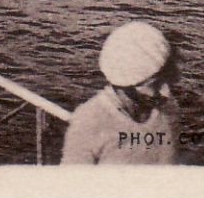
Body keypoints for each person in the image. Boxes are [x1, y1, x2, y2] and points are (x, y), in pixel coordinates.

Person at [60, 21, 180, 165]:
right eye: (155, 84)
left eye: (166, 79)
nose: (166, 92)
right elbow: (72, 183)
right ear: (125, 84)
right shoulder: (89, 122)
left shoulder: (168, 107)